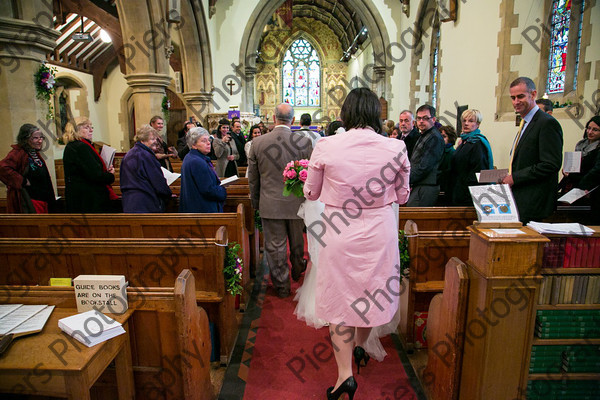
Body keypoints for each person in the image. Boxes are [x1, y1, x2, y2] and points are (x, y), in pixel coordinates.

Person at [302, 88, 410, 400]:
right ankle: (362, 346)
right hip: (379, 230)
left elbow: (311, 193)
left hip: (341, 231)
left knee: (339, 300)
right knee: (370, 292)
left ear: (345, 114)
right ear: (377, 113)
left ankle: (344, 376)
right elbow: (403, 196)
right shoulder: (396, 147)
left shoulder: (326, 144)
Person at [248, 103, 313, 298]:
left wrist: (257, 203)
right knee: (297, 243)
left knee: (275, 247)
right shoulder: (304, 142)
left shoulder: (258, 143)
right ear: (293, 120)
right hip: (297, 203)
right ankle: (297, 267)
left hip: (270, 203)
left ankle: (282, 286)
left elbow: (253, 178)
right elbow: (312, 174)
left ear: (274, 119)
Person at [501, 77, 563, 223]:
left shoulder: (546, 123)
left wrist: (515, 178)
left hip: (534, 201)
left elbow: (550, 164)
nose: (516, 102)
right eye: (513, 98)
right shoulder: (526, 123)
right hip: (521, 198)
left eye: (520, 96)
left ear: (533, 94)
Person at [63, 116, 116, 213]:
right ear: (75, 130)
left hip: (81, 198)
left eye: (91, 127)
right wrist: (110, 175)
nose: (91, 130)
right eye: (86, 127)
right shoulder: (80, 147)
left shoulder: (74, 146)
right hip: (88, 201)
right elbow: (95, 175)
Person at [0, 124, 56, 213]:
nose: (40, 141)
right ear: (25, 139)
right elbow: (2, 168)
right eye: (35, 138)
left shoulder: (34, 153)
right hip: (30, 199)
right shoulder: (18, 152)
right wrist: (22, 181)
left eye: (41, 137)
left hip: (43, 199)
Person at [120, 125, 172, 213]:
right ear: (142, 140)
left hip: (129, 203)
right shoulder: (146, 156)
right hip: (146, 203)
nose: (155, 142)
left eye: (155, 139)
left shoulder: (128, 154)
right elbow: (158, 182)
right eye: (152, 139)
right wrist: (168, 194)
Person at [447, 110, 494, 206]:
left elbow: (478, 171)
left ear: (478, 124)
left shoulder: (477, 142)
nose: (466, 123)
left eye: (471, 121)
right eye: (464, 120)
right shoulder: (465, 141)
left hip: (468, 193)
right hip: (457, 189)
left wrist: (464, 189)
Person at [180, 127, 227, 213]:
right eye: (204, 141)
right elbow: (208, 190)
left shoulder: (191, 157)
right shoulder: (197, 161)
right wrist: (223, 191)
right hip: (203, 209)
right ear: (193, 145)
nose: (208, 143)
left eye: (208, 140)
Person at [406, 105, 445, 206]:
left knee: (414, 218)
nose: (421, 121)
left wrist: (405, 179)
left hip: (426, 185)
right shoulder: (425, 135)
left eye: (425, 118)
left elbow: (424, 166)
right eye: (419, 118)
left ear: (433, 119)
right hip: (419, 184)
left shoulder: (434, 138)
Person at [558, 116, 600, 199]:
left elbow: (594, 174)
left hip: (586, 190)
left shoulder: (598, 150)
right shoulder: (581, 144)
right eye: (588, 128)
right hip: (570, 185)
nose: (590, 132)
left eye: (595, 130)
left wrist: (571, 176)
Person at [437, 125, 457, 204]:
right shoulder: (438, 151)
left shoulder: (451, 153)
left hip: (444, 189)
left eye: (444, 136)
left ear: (450, 138)